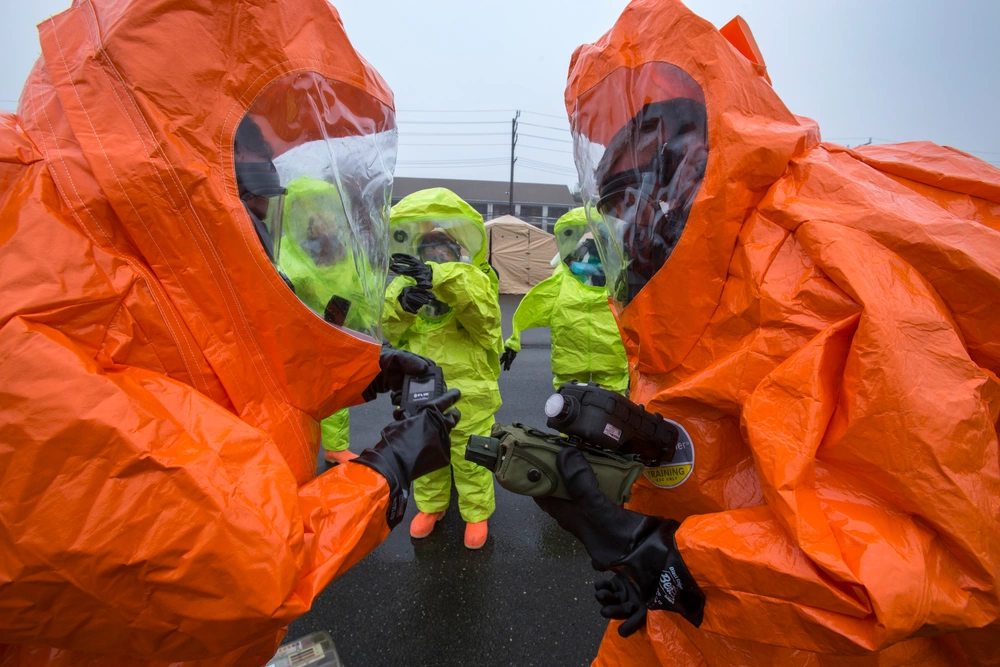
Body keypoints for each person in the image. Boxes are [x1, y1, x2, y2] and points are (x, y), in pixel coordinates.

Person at [535, 1, 1000, 665]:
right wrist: (650, 524)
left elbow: (944, 562)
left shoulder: (807, 265)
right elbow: (728, 467)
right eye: (617, 199)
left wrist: (672, 558)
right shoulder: (692, 277)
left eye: (648, 183)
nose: (634, 218)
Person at [0, 1, 462, 665]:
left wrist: (361, 371)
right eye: (246, 205)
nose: (256, 232)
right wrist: (386, 470)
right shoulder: (28, 322)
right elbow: (254, 568)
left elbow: (214, 359)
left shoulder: (99, 257)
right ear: (168, 185)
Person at [383, 188, 503, 549]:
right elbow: (390, 329)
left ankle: (476, 512)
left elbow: (485, 322)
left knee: (471, 457)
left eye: (443, 253)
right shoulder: (405, 284)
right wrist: (404, 304)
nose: (435, 258)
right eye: (428, 253)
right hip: (422, 388)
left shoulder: (476, 280)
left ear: (457, 253)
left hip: (471, 392)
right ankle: (431, 506)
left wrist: (437, 278)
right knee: (427, 452)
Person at [500, 207, 628, 393]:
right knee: (578, 411)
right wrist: (514, 340)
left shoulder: (620, 277)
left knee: (604, 412)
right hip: (583, 361)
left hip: (600, 361)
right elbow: (534, 303)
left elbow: (642, 314)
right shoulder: (564, 278)